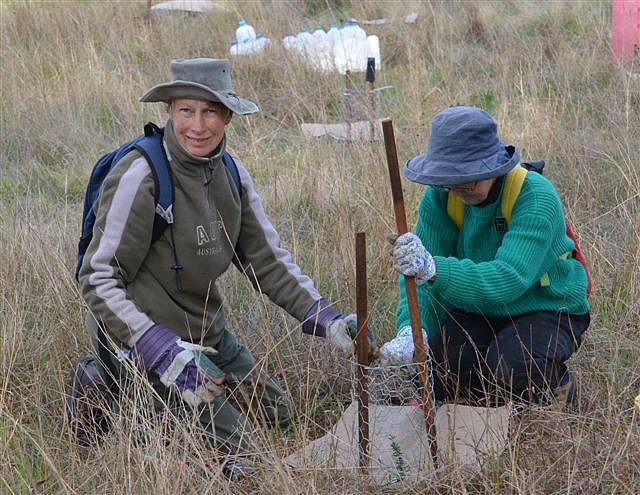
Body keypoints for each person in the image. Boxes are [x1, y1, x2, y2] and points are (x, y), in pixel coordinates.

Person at [75, 58, 363, 470]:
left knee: (278, 415)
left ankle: (165, 406)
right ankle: (107, 386)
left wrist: (326, 317)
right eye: (186, 111)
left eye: (210, 112)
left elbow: (268, 261)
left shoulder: (232, 174)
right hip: (140, 338)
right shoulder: (142, 175)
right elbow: (97, 276)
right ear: (169, 111)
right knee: (243, 455)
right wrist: (157, 348)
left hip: (207, 334)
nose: (197, 126)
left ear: (228, 115)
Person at [379, 106, 590, 407]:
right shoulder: (442, 196)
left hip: (547, 307)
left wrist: (434, 268)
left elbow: (508, 279)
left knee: (512, 365)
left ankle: (559, 389)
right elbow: (420, 277)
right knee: (440, 371)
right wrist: (413, 331)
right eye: (447, 182)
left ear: (492, 168)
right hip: (477, 305)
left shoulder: (536, 197)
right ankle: (492, 395)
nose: (455, 192)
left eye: (466, 182)